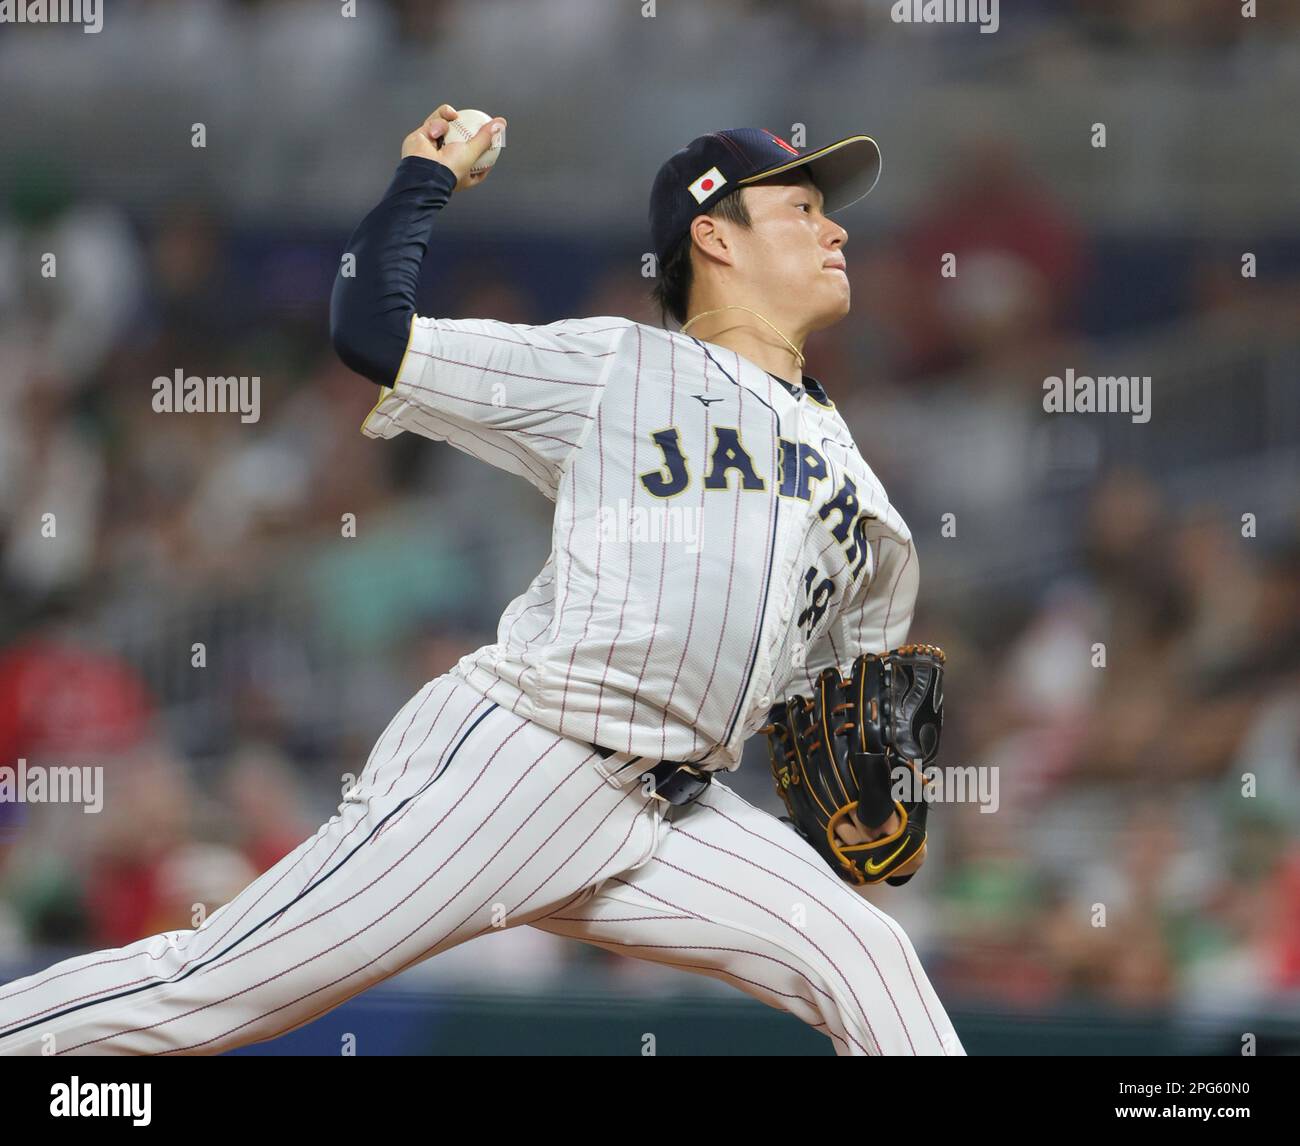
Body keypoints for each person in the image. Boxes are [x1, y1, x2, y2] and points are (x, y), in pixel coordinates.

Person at [0, 106, 963, 1056]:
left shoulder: (858, 481)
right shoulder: (617, 365)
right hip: (527, 759)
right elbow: (374, 333)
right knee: (209, 994)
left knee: (865, 952)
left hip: (675, 809)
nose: (835, 228)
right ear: (714, 233)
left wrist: (860, 766)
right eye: (800, 208)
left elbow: (836, 693)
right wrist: (425, 181)